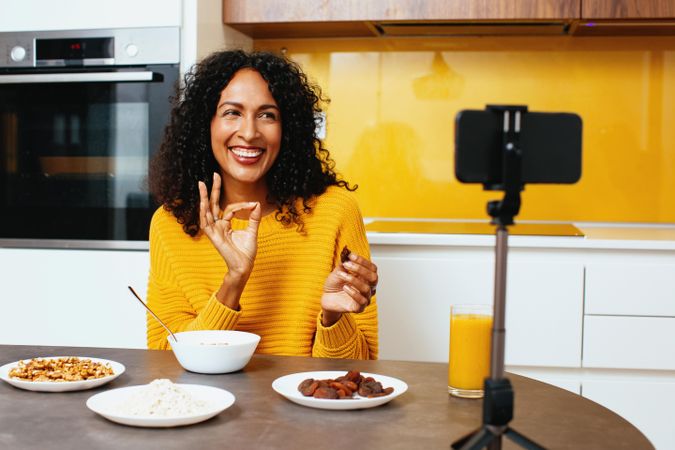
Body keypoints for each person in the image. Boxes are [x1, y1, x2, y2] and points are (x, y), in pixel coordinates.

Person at [146, 50, 379, 359]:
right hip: (208, 403)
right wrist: (234, 280)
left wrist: (332, 318)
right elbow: (165, 357)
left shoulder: (336, 211)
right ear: (206, 124)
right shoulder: (171, 223)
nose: (249, 132)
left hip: (305, 405)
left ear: (288, 130)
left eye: (267, 115)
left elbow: (360, 368)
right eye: (232, 112)